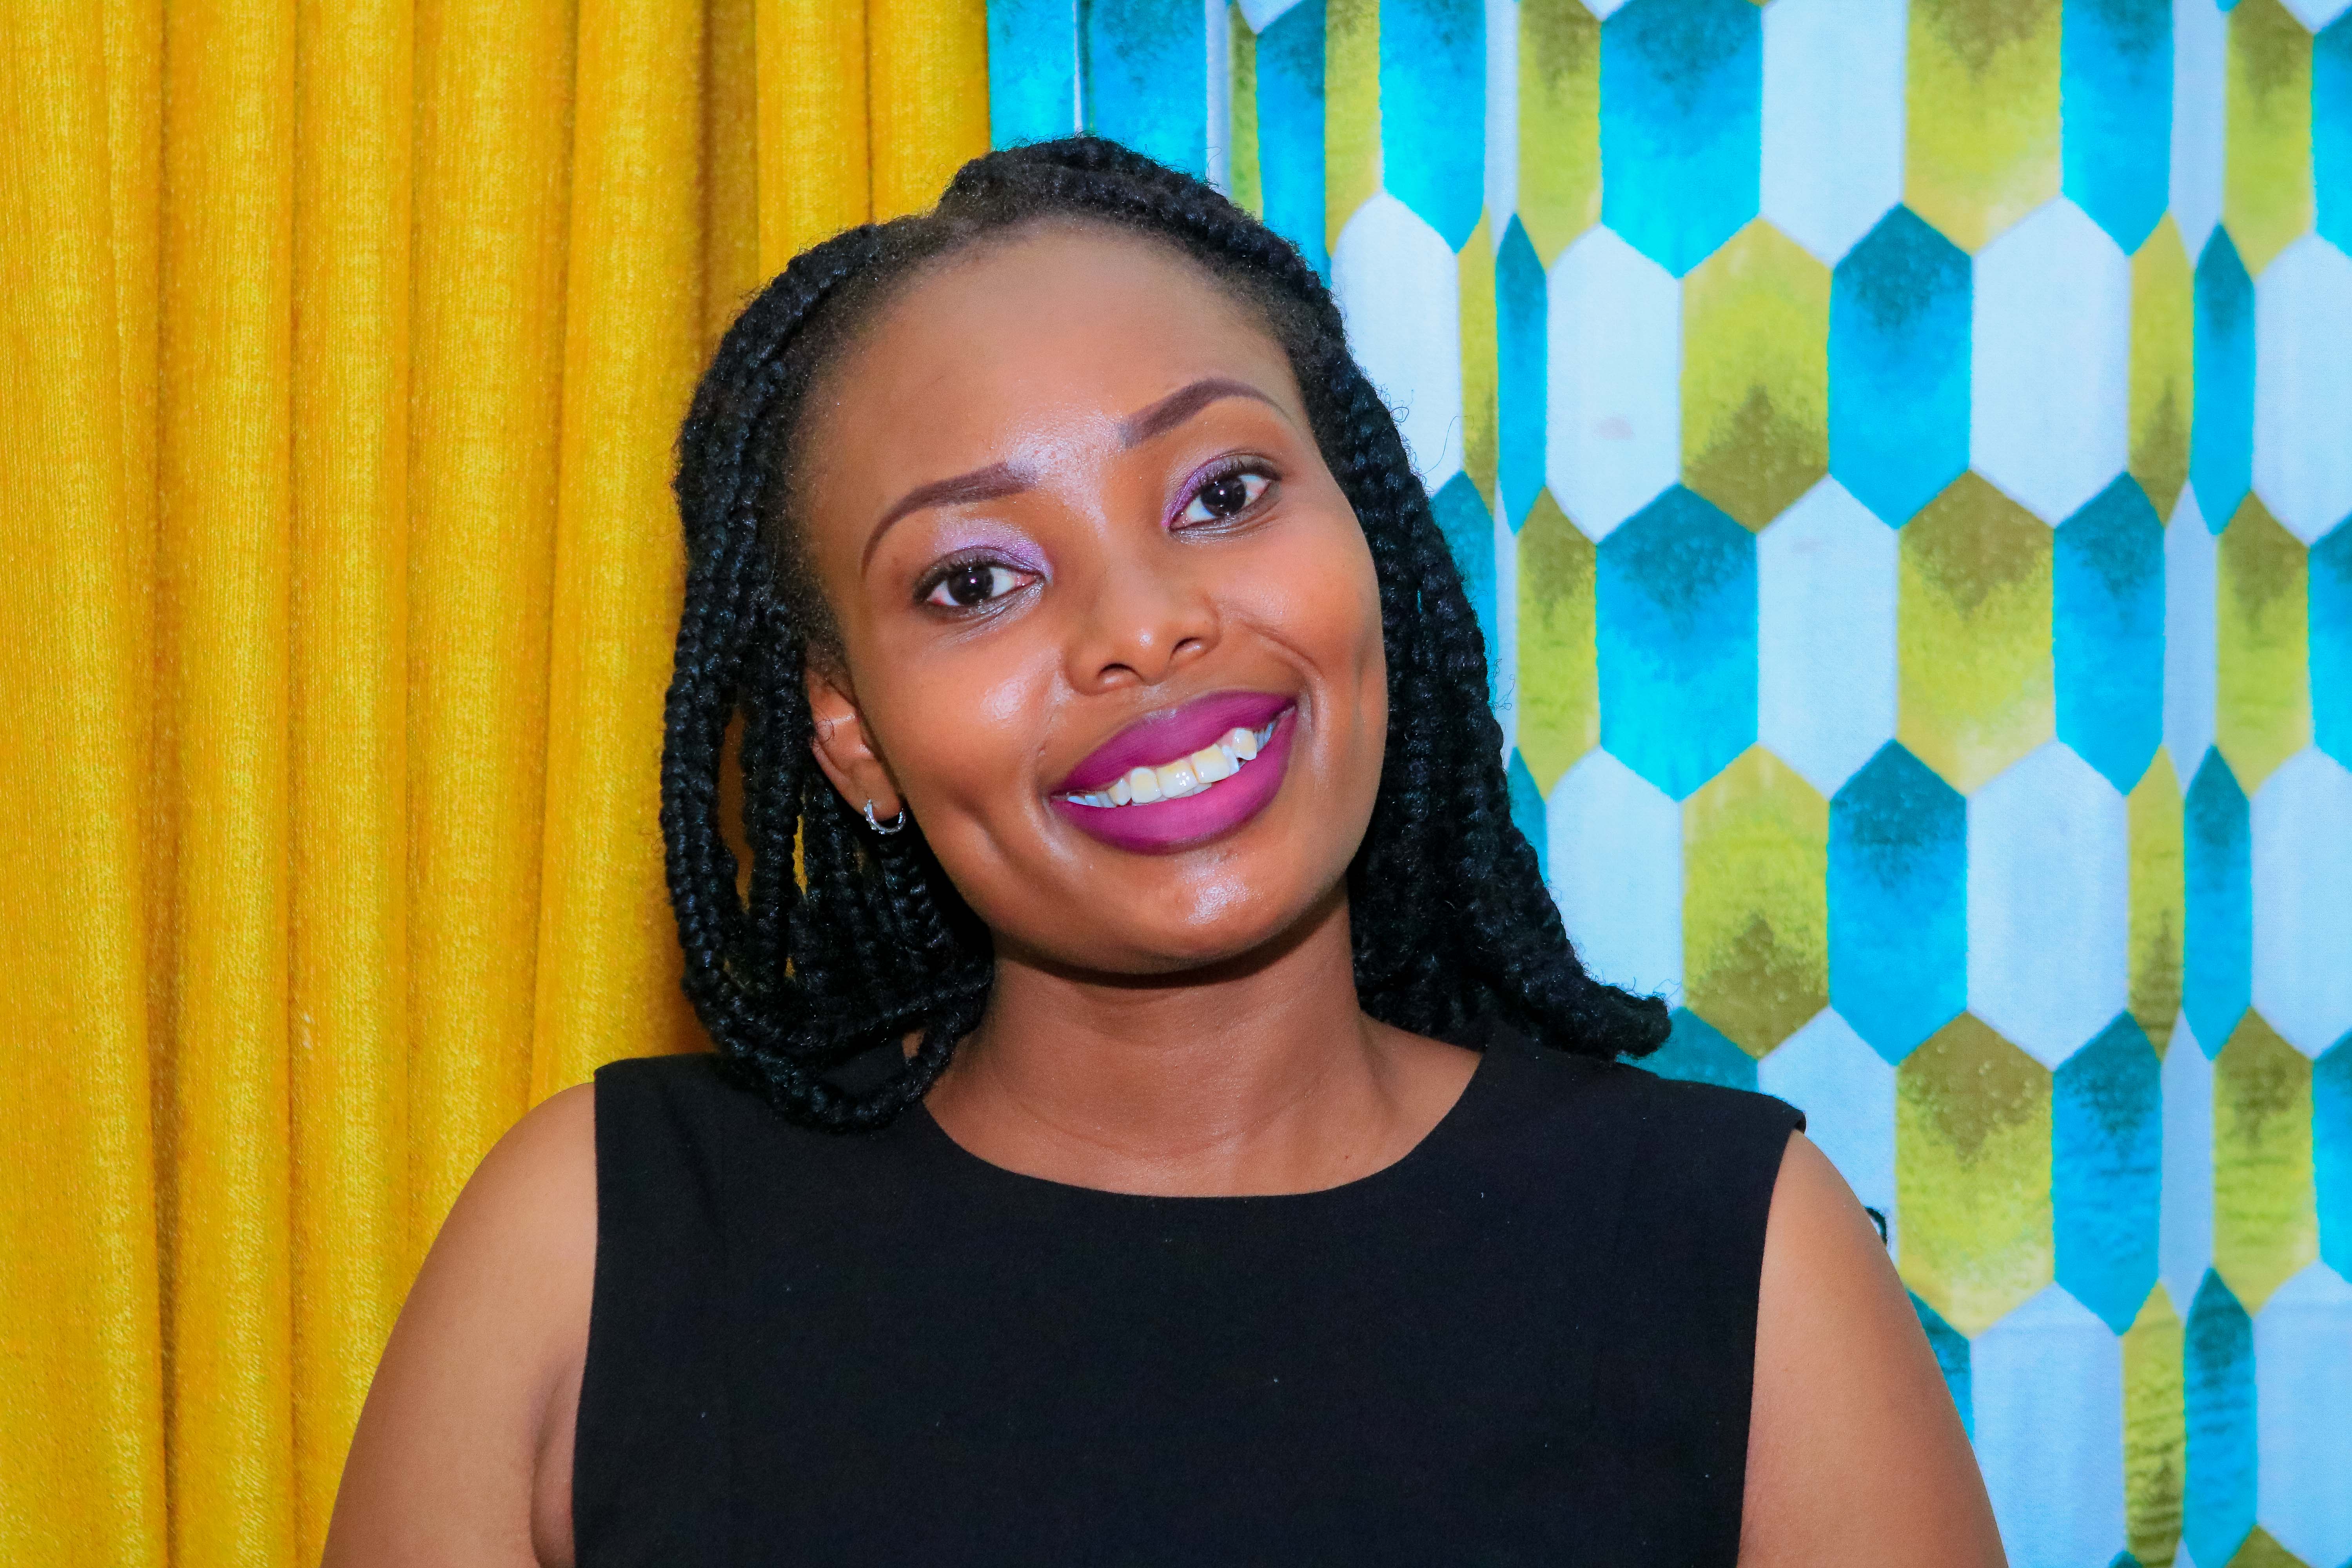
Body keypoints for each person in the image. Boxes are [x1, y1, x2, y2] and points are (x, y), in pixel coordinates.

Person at [325, 138, 2003, 1567]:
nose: (1143, 625)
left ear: (1368, 538)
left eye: (1222, 493)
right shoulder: (590, 1250)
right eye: (975, 580)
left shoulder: (1734, 1257)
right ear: (851, 734)